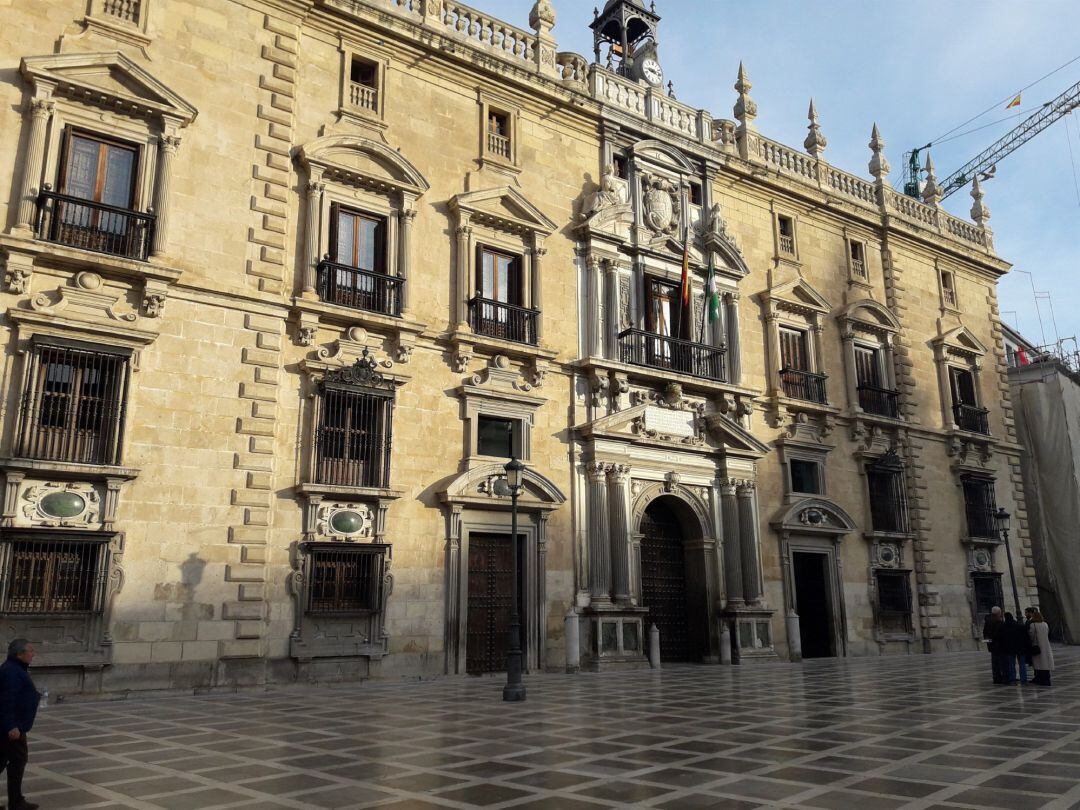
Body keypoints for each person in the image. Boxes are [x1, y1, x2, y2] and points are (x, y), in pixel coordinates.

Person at [0, 639, 40, 810]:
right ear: (20, 654)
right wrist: (11, 725)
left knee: (2, 761)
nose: (33, 654)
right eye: (30, 651)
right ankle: (16, 803)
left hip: (12, 725)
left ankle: (17, 801)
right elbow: (6, 701)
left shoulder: (14, 668)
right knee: (17, 762)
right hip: (12, 728)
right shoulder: (12, 671)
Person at [1028, 610, 1055, 686]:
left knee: (1039, 664)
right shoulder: (1045, 624)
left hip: (1037, 647)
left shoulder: (1033, 625)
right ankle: (1047, 679)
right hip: (1046, 646)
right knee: (1046, 664)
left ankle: (1040, 679)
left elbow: (1031, 635)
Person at [982, 606, 1006, 684]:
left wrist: (988, 642)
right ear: (998, 613)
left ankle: (996, 678)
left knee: (994, 662)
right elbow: (999, 634)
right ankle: (1001, 677)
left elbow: (985, 633)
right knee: (1000, 662)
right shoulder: (998, 621)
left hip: (992, 645)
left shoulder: (987, 620)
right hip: (998, 644)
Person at [1002, 612, 1027, 685]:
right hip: (1020, 647)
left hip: (1010, 648)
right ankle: (1024, 679)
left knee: (1011, 664)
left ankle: (1012, 679)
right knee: (1022, 664)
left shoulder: (1004, 626)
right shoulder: (1018, 625)